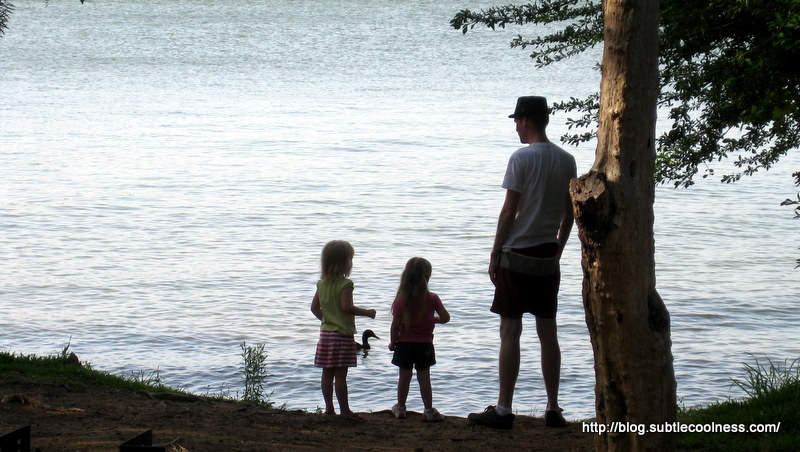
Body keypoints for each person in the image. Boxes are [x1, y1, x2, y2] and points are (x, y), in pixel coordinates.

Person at [468, 96, 576, 430]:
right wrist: (558, 248)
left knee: (510, 332)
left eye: (517, 120)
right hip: (547, 255)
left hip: (515, 256)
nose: (515, 126)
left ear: (526, 121)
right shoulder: (567, 160)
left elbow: (508, 211)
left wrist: (494, 252)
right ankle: (554, 408)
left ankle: (503, 409)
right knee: (548, 333)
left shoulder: (521, 158)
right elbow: (571, 213)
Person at [311, 240, 377, 418]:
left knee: (327, 374)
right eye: (350, 259)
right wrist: (367, 312)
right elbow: (346, 307)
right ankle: (345, 410)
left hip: (325, 335)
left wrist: (327, 320)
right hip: (342, 335)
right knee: (340, 375)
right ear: (344, 262)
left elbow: (314, 308)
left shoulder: (321, 283)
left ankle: (329, 409)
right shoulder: (345, 284)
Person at [388, 257, 450, 422]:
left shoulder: (401, 301)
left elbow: (395, 326)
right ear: (427, 276)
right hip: (425, 346)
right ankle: (428, 410)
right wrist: (432, 319)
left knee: (404, 378)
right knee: (424, 379)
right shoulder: (432, 298)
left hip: (404, 345)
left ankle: (400, 408)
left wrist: (392, 342)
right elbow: (445, 318)